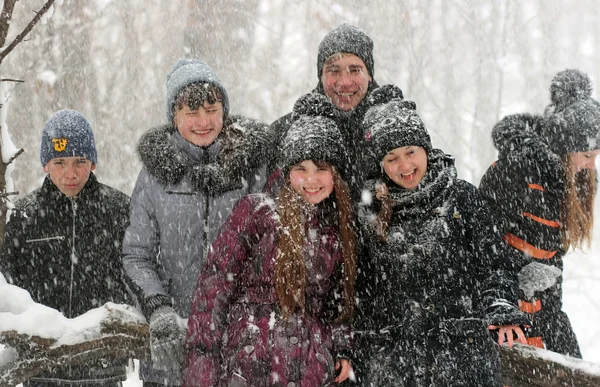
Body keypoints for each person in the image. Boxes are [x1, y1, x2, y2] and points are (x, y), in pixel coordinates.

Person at [182, 95, 357, 386]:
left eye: (321, 169)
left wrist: (341, 346)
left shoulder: (339, 226)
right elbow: (212, 295)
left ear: (335, 174)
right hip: (251, 364)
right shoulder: (256, 212)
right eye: (301, 169)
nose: (311, 180)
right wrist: (201, 372)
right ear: (287, 170)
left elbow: (338, 302)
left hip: (309, 369)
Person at [354, 100, 530, 386]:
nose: (405, 165)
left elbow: (496, 264)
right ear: (381, 165)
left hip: (463, 361)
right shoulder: (371, 214)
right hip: (396, 367)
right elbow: (365, 292)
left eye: (411, 152)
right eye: (392, 158)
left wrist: (500, 304)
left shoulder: (461, 198)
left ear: (426, 149)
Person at [122, 58, 269, 386]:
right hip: (174, 349)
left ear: (224, 111)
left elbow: (270, 255)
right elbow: (136, 255)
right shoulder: (154, 177)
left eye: (211, 109)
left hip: (239, 350)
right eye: (191, 112)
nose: (203, 121)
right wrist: (158, 309)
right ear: (174, 117)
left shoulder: (252, 170)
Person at [0, 109, 131, 386]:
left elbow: (135, 277)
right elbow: (7, 290)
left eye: (79, 161)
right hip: (42, 368)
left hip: (104, 368)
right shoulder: (23, 216)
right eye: (59, 162)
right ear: (45, 164)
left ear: (93, 162)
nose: (70, 173)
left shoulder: (119, 210)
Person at [478, 69, 600, 358]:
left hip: (542, 306)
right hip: (498, 303)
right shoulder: (518, 172)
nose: (592, 163)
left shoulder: (576, 180)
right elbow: (481, 238)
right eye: (587, 154)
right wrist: (517, 276)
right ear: (564, 149)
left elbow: (553, 257)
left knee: (572, 370)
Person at [267, 23, 403, 198]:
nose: (345, 81)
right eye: (334, 71)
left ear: (369, 75)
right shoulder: (286, 132)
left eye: (354, 70)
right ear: (321, 76)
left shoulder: (395, 127)